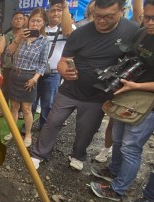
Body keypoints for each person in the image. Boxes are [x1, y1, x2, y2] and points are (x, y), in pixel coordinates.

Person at [30, 0, 139, 171]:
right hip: (70, 90)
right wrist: (64, 70)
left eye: (108, 17)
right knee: (52, 122)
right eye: (97, 16)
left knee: (86, 129)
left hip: (98, 95)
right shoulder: (80, 33)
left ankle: (78, 155)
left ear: (122, 11)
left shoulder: (131, 30)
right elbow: (63, 61)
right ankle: (38, 154)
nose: (101, 21)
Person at [90, 0, 154, 201]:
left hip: (147, 103)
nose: (149, 22)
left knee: (130, 146)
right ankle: (114, 170)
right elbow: (127, 60)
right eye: (147, 17)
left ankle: (118, 189)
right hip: (126, 94)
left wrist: (136, 86)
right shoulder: (142, 33)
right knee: (117, 138)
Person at [3, 8, 50, 147]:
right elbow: (8, 53)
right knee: (14, 107)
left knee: (27, 109)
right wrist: (17, 39)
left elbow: (42, 64)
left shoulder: (44, 41)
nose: (35, 24)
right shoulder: (20, 36)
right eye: (33, 20)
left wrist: (34, 79)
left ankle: (28, 134)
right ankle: (13, 131)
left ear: (43, 24)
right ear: (28, 21)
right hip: (14, 74)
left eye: (38, 21)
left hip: (30, 77)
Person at [32, 0, 75, 131]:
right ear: (48, 13)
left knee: (48, 103)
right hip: (36, 71)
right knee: (32, 102)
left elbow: (70, 34)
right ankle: (28, 126)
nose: (55, 13)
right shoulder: (41, 28)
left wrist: (65, 8)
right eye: (52, 10)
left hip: (54, 73)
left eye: (59, 10)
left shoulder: (68, 28)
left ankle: (45, 128)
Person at [2, 11, 25, 105]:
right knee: (6, 89)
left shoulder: (28, 35)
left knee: (21, 90)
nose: (18, 20)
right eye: (16, 18)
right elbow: (5, 52)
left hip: (23, 68)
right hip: (8, 67)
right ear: (11, 21)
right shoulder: (6, 36)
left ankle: (20, 110)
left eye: (20, 18)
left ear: (24, 21)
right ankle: (4, 108)